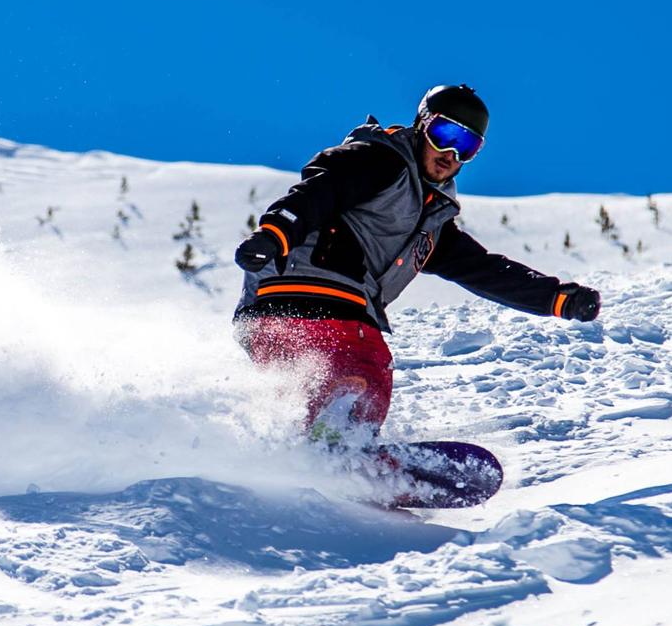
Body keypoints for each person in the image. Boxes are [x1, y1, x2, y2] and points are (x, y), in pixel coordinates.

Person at [233, 84, 600, 442]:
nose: (451, 153)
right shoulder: (380, 159)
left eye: (467, 146)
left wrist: (553, 297)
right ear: (422, 124)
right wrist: (276, 232)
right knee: (363, 364)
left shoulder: (431, 222)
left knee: (308, 389)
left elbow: (482, 268)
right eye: (444, 134)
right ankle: (340, 445)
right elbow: (321, 189)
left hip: (274, 315)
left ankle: (297, 453)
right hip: (305, 287)